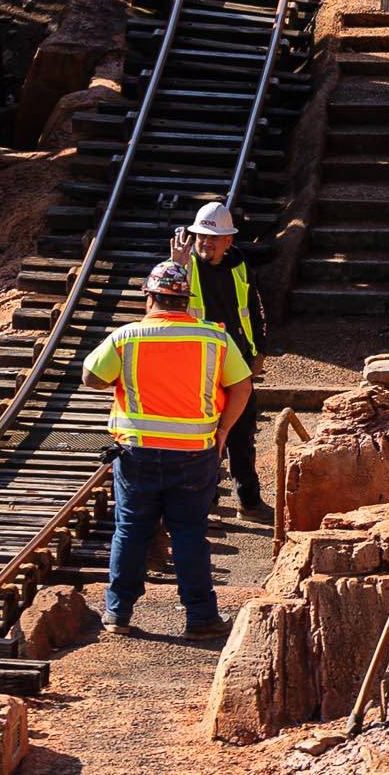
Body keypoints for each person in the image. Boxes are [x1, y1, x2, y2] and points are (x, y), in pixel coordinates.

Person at [80, 260, 247, 638]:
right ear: (185, 301)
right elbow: (242, 387)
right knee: (189, 532)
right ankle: (201, 618)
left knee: (131, 531)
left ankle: (118, 613)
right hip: (194, 454)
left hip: (137, 453)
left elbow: (92, 379)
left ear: (150, 298)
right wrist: (222, 433)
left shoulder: (127, 337)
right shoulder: (215, 338)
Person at [170, 195, 272, 517]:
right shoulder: (185, 266)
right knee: (205, 435)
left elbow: (253, 309)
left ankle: (249, 500)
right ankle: (207, 503)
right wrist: (177, 266)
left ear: (228, 240)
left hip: (237, 359)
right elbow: (167, 303)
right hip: (200, 364)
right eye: (201, 236)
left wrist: (259, 350)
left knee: (243, 434)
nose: (205, 243)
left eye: (212, 238)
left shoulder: (240, 264)